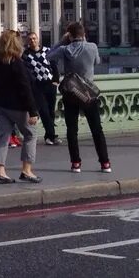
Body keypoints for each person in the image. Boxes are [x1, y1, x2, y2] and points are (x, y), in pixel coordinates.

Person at [48, 21, 110, 174]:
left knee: (72, 130)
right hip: (88, 93)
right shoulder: (92, 47)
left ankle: (76, 163)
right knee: (97, 129)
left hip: (71, 93)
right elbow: (97, 61)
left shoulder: (64, 49)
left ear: (69, 35)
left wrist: (63, 41)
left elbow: (48, 56)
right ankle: (105, 163)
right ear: (84, 34)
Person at [0, 29, 39, 184]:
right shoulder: (16, 63)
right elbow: (25, 88)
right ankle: (26, 170)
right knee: (30, 134)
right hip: (17, 106)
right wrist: (33, 110)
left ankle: (1, 172)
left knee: (2, 137)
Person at [23, 31, 60, 145]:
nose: (32, 41)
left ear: (38, 39)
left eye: (34, 38)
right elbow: (26, 72)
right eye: (30, 39)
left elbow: (54, 66)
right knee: (43, 111)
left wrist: (56, 81)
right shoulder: (25, 55)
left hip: (50, 84)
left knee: (51, 111)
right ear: (27, 41)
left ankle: (49, 136)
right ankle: (52, 136)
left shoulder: (47, 51)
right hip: (37, 87)